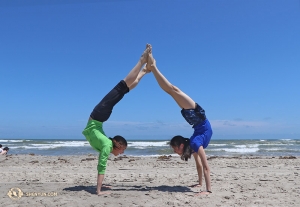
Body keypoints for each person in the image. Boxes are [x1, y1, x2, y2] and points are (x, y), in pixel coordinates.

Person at [82, 44, 152, 195]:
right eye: (123, 151)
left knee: (123, 88)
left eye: (123, 150)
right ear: (118, 145)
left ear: (118, 145)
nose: (122, 153)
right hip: (99, 116)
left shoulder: (107, 145)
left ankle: (143, 66)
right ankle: (142, 64)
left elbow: (101, 166)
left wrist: (100, 189)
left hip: (99, 116)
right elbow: (102, 166)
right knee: (123, 89)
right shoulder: (107, 145)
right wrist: (99, 191)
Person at [146, 52, 213, 195]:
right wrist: (199, 184)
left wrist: (208, 190)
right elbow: (200, 166)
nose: (175, 152)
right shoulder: (194, 145)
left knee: (171, 89)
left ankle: (153, 67)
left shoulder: (194, 144)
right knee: (171, 89)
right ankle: (153, 67)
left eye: (175, 149)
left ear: (181, 145)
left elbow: (206, 167)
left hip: (196, 116)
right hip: (197, 117)